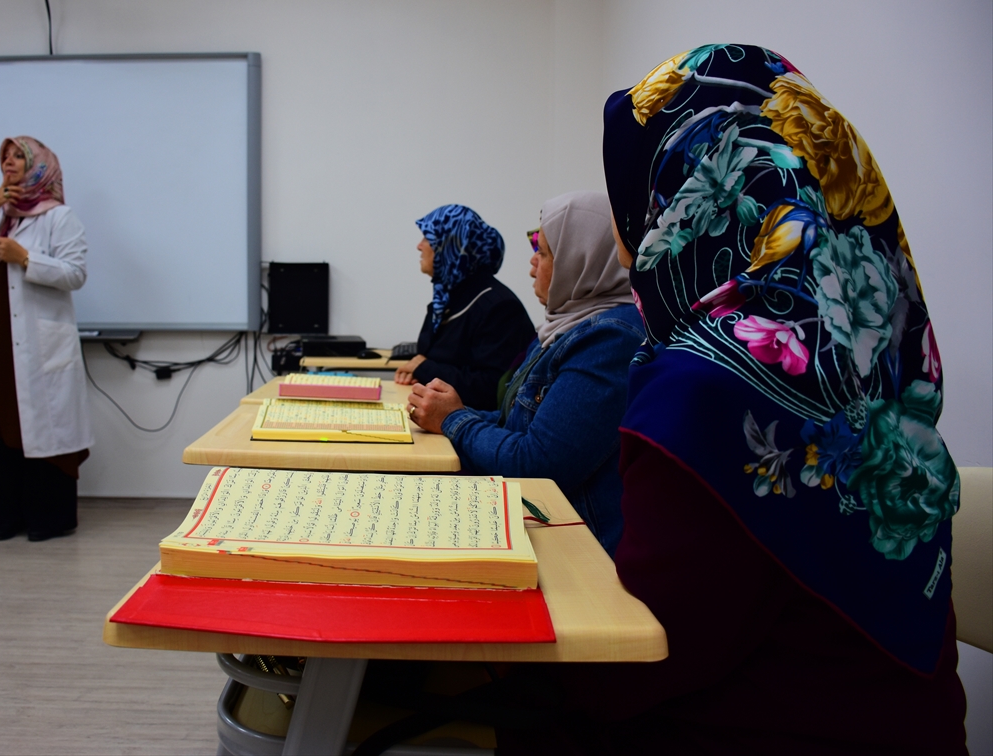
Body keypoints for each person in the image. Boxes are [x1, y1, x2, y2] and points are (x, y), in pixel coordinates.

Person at [490, 45, 968, 754]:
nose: (631, 237)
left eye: (642, 194)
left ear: (690, 195)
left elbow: (628, 672)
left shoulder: (705, 386)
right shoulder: (867, 343)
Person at [405, 191, 643, 556]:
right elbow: (513, 423)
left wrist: (452, 419)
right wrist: (444, 414)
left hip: (576, 549)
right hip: (538, 521)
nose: (532, 263)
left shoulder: (610, 339)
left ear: (581, 260)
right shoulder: (562, 328)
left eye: (544, 252)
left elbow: (537, 465)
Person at [0, 136, 93, 542]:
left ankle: (48, 519)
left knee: (39, 427)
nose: (9, 163)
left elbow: (75, 274)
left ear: (39, 166)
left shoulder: (60, 217)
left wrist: (26, 258)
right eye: (4, 157)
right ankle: (5, 516)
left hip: (36, 348)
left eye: (18, 157)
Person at [393, 205, 535, 411]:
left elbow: (491, 388)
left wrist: (425, 369)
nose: (419, 246)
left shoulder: (499, 307)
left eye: (427, 238)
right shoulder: (446, 300)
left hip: (472, 427)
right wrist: (420, 369)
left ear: (451, 246)